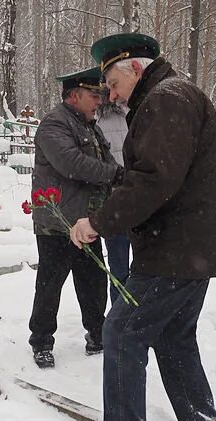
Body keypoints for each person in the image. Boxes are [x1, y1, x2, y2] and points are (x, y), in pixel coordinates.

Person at [71, 33, 216, 421]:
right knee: (173, 335)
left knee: (122, 331)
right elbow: (150, 174)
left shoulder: (166, 99)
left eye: (112, 81)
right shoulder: (171, 95)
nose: (110, 93)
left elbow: (152, 178)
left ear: (135, 68)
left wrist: (99, 222)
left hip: (174, 248)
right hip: (192, 245)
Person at [28, 66, 121, 369]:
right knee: (50, 284)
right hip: (57, 224)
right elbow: (72, 163)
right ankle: (41, 341)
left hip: (84, 223)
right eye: (94, 95)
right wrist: (117, 174)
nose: (99, 101)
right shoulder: (53, 125)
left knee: (93, 282)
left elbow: (104, 159)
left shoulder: (90, 127)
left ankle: (97, 334)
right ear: (73, 96)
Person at [96, 97, 131, 305]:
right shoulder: (135, 115)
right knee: (143, 269)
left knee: (118, 267)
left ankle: (119, 315)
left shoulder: (97, 122)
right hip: (134, 198)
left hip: (114, 201)